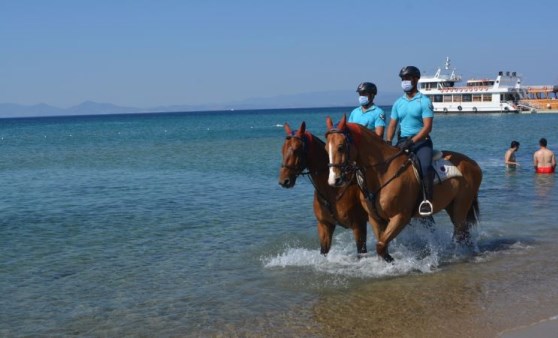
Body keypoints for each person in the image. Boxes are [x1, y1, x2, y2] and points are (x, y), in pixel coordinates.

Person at [386, 66, 435, 216]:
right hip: (402, 141)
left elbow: (427, 127)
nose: (404, 82)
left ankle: (427, 201)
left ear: (416, 79)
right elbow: (393, 125)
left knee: (425, 167)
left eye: (407, 78)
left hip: (421, 142)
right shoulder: (398, 103)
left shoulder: (424, 101)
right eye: (403, 79)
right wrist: (388, 141)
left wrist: (413, 141)